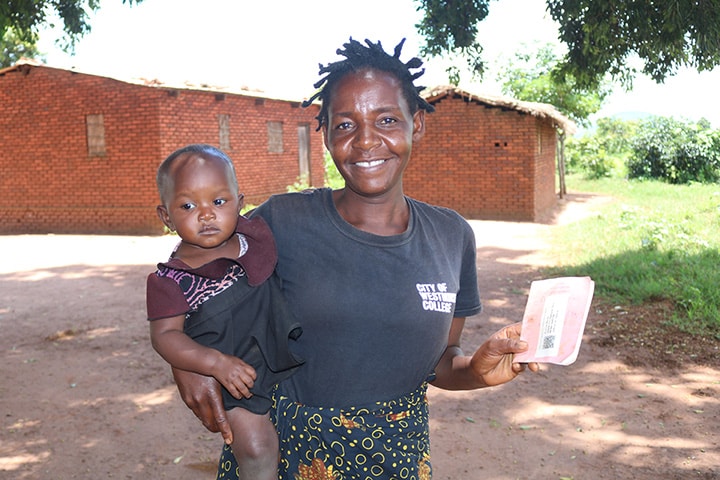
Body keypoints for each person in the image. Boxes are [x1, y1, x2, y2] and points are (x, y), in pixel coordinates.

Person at [173, 39, 539, 480]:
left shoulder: (451, 235)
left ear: (416, 124)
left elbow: (439, 363)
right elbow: (188, 271)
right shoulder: (282, 221)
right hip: (287, 454)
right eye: (345, 125)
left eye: (386, 119)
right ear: (325, 134)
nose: (366, 141)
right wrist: (186, 361)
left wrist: (476, 371)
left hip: (394, 456)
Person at [146, 144, 303, 480]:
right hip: (232, 379)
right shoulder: (172, 279)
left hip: (280, 362)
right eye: (188, 205)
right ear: (165, 216)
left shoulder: (256, 239)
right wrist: (214, 363)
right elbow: (164, 337)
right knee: (257, 447)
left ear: (240, 204)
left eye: (219, 201)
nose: (206, 214)